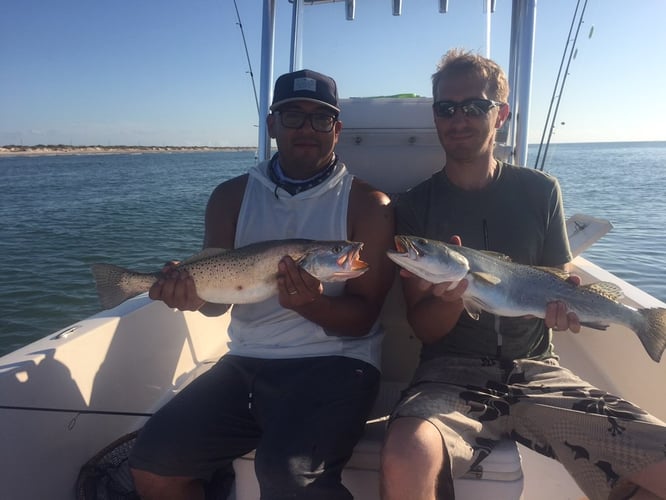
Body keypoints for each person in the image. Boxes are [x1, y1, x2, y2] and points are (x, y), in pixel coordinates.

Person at [379, 49, 666, 500]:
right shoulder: (415, 207)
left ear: (501, 114)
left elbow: (560, 278)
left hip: (539, 370)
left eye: (474, 106)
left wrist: (567, 310)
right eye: (445, 108)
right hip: (448, 374)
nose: (458, 118)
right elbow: (424, 329)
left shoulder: (541, 191)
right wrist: (451, 296)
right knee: (404, 454)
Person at [129, 69, 396, 499]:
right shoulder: (230, 197)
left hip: (338, 362)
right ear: (272, 125)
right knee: (153, 462)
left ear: (337, 129)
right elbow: (219, 305)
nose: (307, 129)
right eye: (293, 117)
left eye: (321, 118)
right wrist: (191, 297)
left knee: (289, 476)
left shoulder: (369, 205)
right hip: (244, 362)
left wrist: (311, 305)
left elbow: (362, 319)